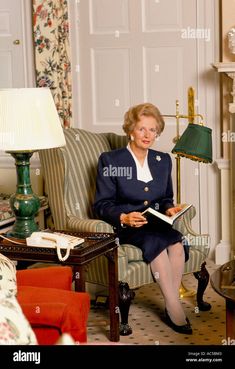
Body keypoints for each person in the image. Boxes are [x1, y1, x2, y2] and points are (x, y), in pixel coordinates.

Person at [93, 102, 192, 335]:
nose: (148, 135)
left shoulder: (163, 160)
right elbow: (101, 205)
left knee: (177, 243)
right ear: (131, 130)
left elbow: (166, 197)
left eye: (153, 130)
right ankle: (175, 308)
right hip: (129, 225)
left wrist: (170, 209)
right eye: (142, 129)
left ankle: (170, 302)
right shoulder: (111, 160)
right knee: (157, 245)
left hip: (156, 222)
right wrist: (124, 217)